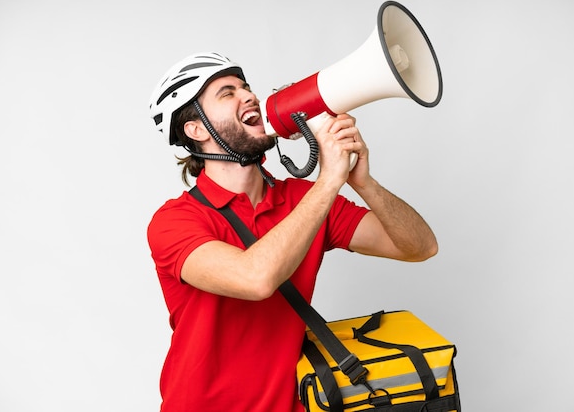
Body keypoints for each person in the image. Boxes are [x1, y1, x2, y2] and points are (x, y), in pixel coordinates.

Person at [147, 52, 438, 412]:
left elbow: (419, 247)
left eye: (246, 87)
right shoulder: (176, 220)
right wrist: (329, 179)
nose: (249, 96)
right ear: (196, 129)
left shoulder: (302, 200)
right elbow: (255, 279)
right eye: (227, 93)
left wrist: (363, 183)